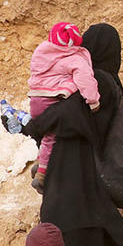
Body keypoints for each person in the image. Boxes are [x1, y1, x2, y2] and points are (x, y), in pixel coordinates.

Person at [24, 23, 123, 246]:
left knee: (72, 242)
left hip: (75, 176)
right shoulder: (102, 80)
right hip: (78, 175)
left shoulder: (99, 81)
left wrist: (33, 124)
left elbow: (69, 118)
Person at [27, 22, 100, 190]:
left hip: (35, 99)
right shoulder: (73, 59)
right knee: (52, 137)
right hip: (51, 99)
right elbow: (85, 80)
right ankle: (42, 174)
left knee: (46, 136)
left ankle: (40, 161)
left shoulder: (41, 53)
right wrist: (93, 101)